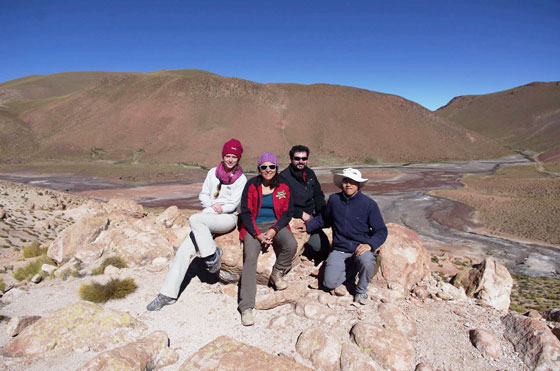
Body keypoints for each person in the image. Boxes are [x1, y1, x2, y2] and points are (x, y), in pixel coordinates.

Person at [147, 138, 247, 311]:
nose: (230, 160)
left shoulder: (241, 179)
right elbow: (203, 195)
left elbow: (232, 204)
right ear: (223, 156)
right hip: (208, 216)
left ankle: (210, 257)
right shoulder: (212, 173)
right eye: (228, 156)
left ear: (238, 159)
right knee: (184, 251)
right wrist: (210, 207)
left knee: (194, 219)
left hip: (226, 218)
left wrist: (214, 210)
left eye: (234, 157)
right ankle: (167, 294)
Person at [295, 168, 387, 305]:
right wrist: (308, 226)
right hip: (340, 248)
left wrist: (369, 245)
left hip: (360, 247)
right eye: (346, 181)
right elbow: (324, 219)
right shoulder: (334, 200)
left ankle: (361, 291)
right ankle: (353, 269)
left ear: (358, 184)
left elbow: (381, 230)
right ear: (341, 183)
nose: (348, 184)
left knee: (367, 261)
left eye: (352, 181)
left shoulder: (369, 204)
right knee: (329, 283)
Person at [238, 152, 297, 326]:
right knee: (250, 258)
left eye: (272, 166)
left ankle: (277, 274)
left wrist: (273, 231)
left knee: (291, 244)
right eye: (264, 167)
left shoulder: (284, 187)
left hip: (275, 224)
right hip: (254, 226)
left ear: (276, 168)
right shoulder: (251, 185)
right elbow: (246, 212)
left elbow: (287, 212)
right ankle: (246, 306)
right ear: (259, 169)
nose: (268, 170)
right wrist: (257, 234)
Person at [279, 145, 329, 259]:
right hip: (297, 216)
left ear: (307, 160)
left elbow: (318, 194)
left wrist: (323, 210)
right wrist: (301, 214)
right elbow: (282, 203)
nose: (300, 161)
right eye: (297, 158)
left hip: (312, 213)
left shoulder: (310, 173)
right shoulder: (283, 178)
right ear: (290, 159)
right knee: (320, 247)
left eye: (304, 159)